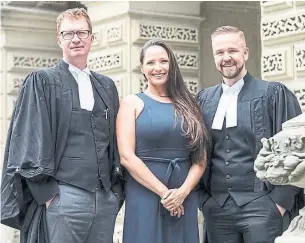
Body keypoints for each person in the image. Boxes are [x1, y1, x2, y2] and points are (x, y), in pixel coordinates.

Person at [1, 8, 124, 243]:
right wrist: (47, 195)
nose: (75, 39)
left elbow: (115, 143)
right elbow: (28, 138)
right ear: (59, 40)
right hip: (64, 199)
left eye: (81, 33)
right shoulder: (42, 81)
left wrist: (115, 194)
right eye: (68, 34)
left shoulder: (106, 86)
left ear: (91, 38)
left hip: (104, 200)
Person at [197, 25, 304, 243]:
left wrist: (279, 203)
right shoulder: (203, 100)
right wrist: (202, 200)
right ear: (214, 56)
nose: (226, 57)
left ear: (245, 52)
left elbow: (296, 148)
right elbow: (192, 151)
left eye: (233, 51)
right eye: (220, 52)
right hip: (217, 209)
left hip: (262, 207)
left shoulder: (273, 94)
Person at [116, 39, 210, 243]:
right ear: (142, 68)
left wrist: (182, 193)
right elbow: (126, 156)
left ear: (171, 65)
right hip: (145, 193)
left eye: (163, 61)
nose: (157, 68)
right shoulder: (131, 103)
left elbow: (200, 158)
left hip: (184, 195)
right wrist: (166, 194)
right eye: (150, 63)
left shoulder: (190, 105)